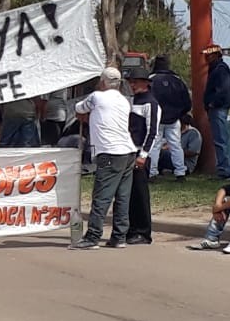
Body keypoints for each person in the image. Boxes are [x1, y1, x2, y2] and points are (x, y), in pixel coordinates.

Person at [70, 67, 137, 249]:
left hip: (110, 152)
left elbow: (78, 107)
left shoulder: (97, 96)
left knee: (102, 196)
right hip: (128, 151)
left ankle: (93, 236)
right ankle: (119, 236)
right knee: (122, 196)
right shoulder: (124, 101)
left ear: (102, 82)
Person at [125, 66, 162, 245]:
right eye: (131, 82)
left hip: (140, 153)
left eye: (135, 82)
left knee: (140, 194)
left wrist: (143, 154)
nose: (132, 85)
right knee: (129, 194)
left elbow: (152, 132)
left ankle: (143, 231)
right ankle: (132, 229)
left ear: (145, 83)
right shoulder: (132, 101)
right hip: (128, 151)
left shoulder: (151, 103)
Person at [147, 55, 192, 181]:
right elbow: (187, 101)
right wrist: (180, 113)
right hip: (174, 119)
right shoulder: (177, 80)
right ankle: (180, 172)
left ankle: (152, 172)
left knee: (154, 145)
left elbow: (146, 100)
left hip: (156, 118)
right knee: (176, 145)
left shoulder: (151, 80)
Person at [202, 43, 230, 178]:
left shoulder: (220, 69)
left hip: (218, 108)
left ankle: (225, 170)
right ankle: (224, 168)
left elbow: (223, 90)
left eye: (208, 55)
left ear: (215, 55)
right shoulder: (217, 68)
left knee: (220, 139)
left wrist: (212, 103)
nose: (206, 58)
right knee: (221, 139)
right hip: (217, 107)